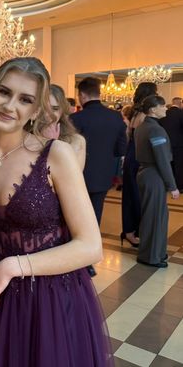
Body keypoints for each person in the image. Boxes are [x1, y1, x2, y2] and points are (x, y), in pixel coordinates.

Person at [0, 57, 111, 367]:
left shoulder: (56, 154)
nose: (10, 106)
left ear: (35, 110)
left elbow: (90, 246)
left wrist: (13, 266)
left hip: (52, 299)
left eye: (25, 99)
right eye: (5, 92)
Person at [70, 77, 126, 276]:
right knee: (95, 216)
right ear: (99, 93)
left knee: (74, 217)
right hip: (103, 176)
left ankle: (74, 258)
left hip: (77, 176)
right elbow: (121, 149)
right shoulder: (115, 117)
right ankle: (90, 260)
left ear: (82, 95)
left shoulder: (76, 119)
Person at [135, 95, 179, 268]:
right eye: (163, 106)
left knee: (153, 214)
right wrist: (172, 186)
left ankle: (157, 252)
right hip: (154, 174)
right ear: (153, 109)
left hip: (145, 172)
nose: (166, 108)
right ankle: (150, 256)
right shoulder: (155, 130)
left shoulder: (142, 127)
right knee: (155, 217)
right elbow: (162, 160)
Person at [121, 82, 157, 247]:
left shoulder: (134, 112)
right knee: (137, 196)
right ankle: (135, 232)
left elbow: (128, 135)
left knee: (131, 194)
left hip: (131, 154)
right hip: (139, 156)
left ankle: (129, 231)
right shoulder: (144, 115)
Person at [40, 84, 86, 169]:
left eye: (55, 109)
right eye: (44, 108)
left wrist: (53, 145)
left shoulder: (77, 141)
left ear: (62, 112)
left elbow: (73, 176)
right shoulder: (23, 138)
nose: (48, 114)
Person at [160, 96, 183, 190]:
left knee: (167, 164)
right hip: (179, 144)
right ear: (180, 103)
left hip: (164, 143)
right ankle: (179, 186)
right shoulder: (181, 113)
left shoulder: (164, 113)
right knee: (179, 166)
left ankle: (167, 185)